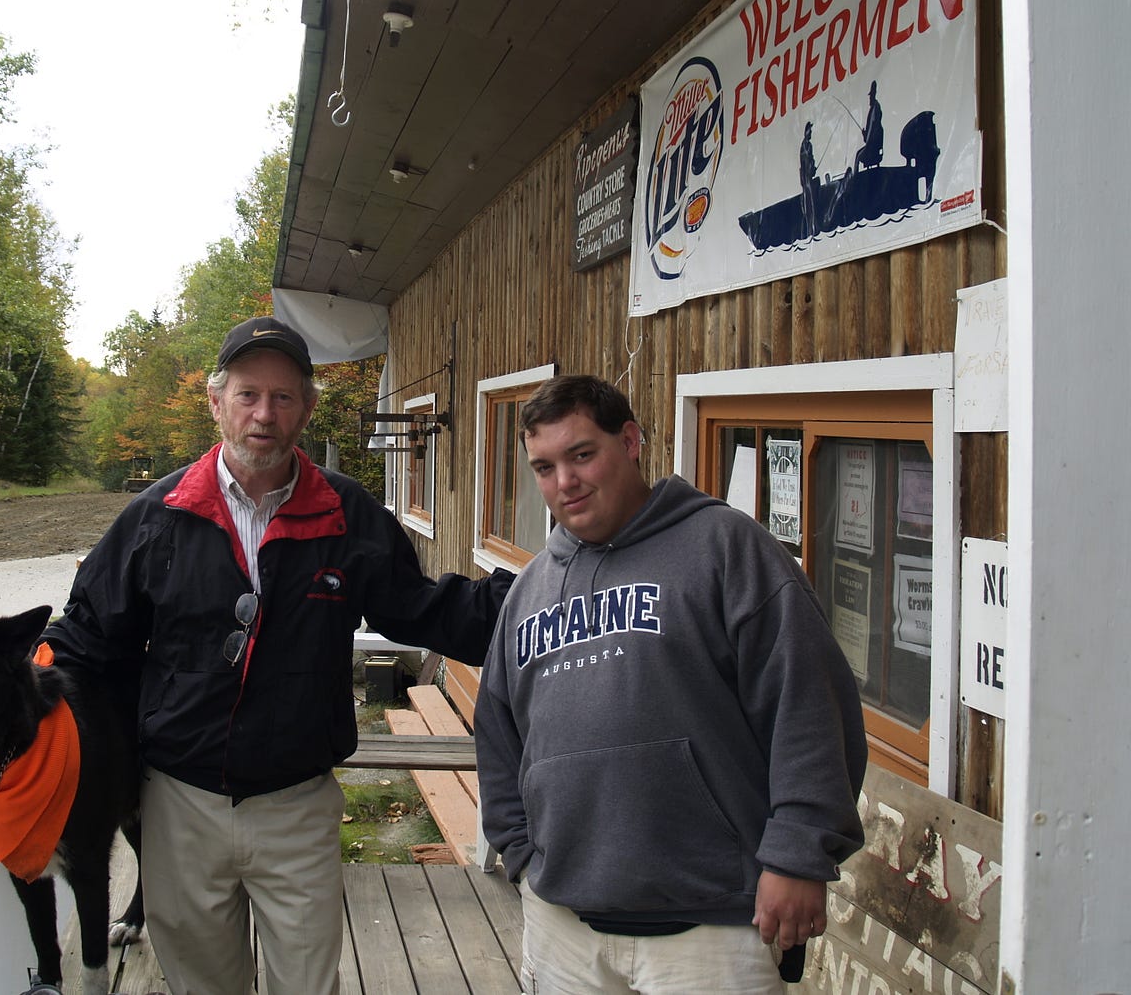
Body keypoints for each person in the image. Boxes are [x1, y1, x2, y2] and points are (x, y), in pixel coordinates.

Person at [42, 316, 512, 995]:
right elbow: (88, 638)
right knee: (203, 984)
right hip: (179, 807)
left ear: (307, 408)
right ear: (216, 402)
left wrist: (538, 599)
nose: (265, 413)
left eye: (284, 397)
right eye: (248, 395)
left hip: (297, 807)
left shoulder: (348, 515)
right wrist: (21, 686)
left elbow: (424, 609)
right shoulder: (158, 516)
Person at [473, 374, 866, 994]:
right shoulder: (529, 590)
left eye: (582, 455)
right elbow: (498, 735)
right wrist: (521, 855)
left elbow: (809, 704)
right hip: (564, 927)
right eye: (543, 468)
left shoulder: (725, 548)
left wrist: (797, 854)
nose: (564, 483)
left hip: (713, 930)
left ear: (630, 441)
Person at [855, 80, 884, 172]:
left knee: (858, 156)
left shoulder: (875, 109)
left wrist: (866, 136)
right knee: (858, 154)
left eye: (871, 96)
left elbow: (872, 132)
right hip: (872, 145)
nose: (869, 98)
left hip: (872, 148)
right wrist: (865, 135)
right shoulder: (873, 109)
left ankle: (855, 178)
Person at [799, 121, 819, 236]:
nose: (811, 133)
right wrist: (812, 168)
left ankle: (812, 227)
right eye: (810, 131)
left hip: (808, 177)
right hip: (806, 178)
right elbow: (806, 161)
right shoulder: (805, 145)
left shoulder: (808, 145)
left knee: (811, 203)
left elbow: (810, 160)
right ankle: (810, 228)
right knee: (809, 204)